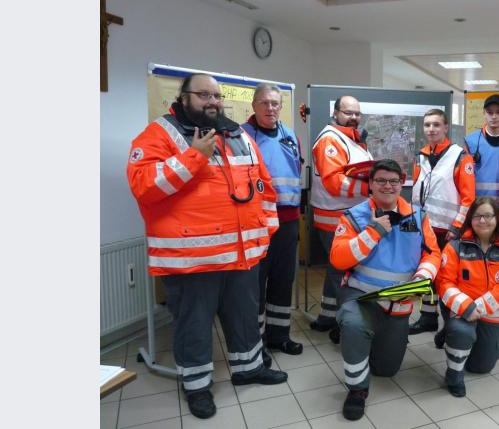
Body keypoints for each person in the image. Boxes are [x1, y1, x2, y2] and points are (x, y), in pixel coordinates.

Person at [126, 73, 288, 420]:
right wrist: (194, 156)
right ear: (183, 97)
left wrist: (267, 230)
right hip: (191, 260)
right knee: (195, 325)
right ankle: (197, 386)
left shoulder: (238, 133)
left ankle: (249, 368)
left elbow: (263, 184)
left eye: (217, 96)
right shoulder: (158, 134)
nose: (213, 102)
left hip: (242, 255)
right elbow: (144, 186)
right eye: (203, 95)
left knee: (244, 317)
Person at [330, 160, 441, 420]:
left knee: (387, 370)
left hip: (398, 302)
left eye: (393, 181)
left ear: (401, 184)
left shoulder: (417, 215)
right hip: (360, 296)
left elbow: (433, 254)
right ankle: (357, 390)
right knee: (355, 326)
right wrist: (373, 232)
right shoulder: (354, 216)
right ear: (371, 183)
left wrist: (423, 276)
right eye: (381, 180)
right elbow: (338, 259)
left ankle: (368, 340)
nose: (387, 186)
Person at [436, 197, 499, 397]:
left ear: (498, 219)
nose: (483, 221)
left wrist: (479, 306)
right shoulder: (456, 246)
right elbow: (444, 282)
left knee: (480, 367)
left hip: (492, 312)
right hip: (462, 309)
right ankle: (454, 375)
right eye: (477, 216)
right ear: (470, 219)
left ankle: (455, 335)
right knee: (462, 334)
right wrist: (466, 306)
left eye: (488, 216)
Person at [242, 84, 304, 358]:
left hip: (288, 220)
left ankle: (279, 336)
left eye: (275, 104)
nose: (270, 108)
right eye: (265, 103)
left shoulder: (289, 135)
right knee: (256, 284)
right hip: (257, 222)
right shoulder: (241, 136)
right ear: (254, 105)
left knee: (283, 280)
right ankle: (257, 345)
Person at [309, 95, 373, 343]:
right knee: (343, 274)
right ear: (335, 113)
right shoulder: (330, 140)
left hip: (346, 217)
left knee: (336, 270)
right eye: (348, 113)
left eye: (357, 113)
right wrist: (370, 189)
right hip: (334, 219)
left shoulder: (353, 139)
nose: (354, 117)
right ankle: (347, 325)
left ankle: (327, 316)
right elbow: (335, 183)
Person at [409, 108, 475, 336]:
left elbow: (468, 198)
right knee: (428, 272)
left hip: (447, 229)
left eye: (436, 124)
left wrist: (457, 228)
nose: (431, 129)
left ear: (446, 127)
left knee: (447, 276)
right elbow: (418, 190)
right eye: (427, 125)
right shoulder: (420, 155)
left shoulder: (460, 156)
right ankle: (428, 317)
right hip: (424, 226)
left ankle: (450, 325)